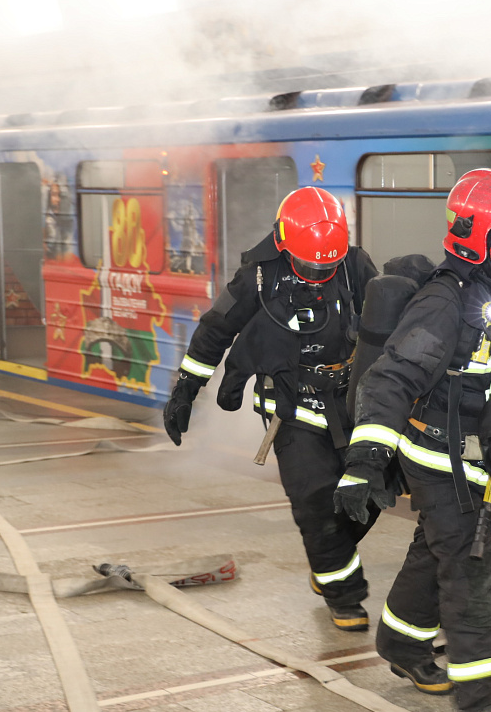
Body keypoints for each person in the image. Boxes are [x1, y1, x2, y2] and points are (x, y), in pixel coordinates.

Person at [335, 169, 491, 712]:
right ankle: (482, 696)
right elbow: (388, 382)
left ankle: (400, 642)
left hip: (482, 453)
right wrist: (363, 464)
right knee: (469, 565)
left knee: (438, 551)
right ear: (475, 241)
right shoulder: (442, 304)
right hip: (437, 456)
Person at [162, 187, 379, 632]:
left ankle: (328, 553)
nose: (318, 273)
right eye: (308, 266)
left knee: (372, 492)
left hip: (351, 400)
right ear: (283, 244)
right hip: (292, 407)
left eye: (326, 266)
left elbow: (382, 324)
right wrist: (186, 387)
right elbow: (215, 331)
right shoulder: (258, 278)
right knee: (315, 500)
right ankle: (342, 593)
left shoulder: (354, 266)